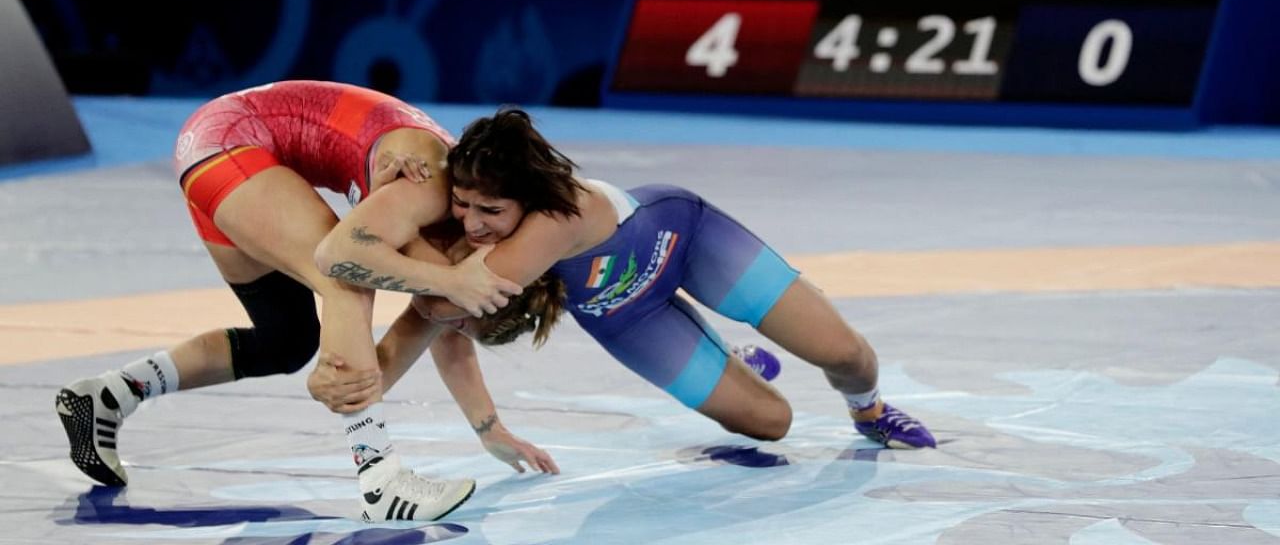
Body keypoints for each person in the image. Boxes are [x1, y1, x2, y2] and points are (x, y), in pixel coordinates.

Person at [54, 81, 538, 523]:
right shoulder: (431, 188)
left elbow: (443, 329)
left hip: (224, 151)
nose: (437, 318)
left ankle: (108, 395)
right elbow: (341, 257)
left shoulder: (466, 221)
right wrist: (449, 283)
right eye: (455, 313)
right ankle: (381, 482)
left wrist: (488, 428)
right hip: (233, 142)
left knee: (284, 341)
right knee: (348, 279)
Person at [314, 108, 935, 451]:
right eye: (464, 205)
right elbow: (438, 312)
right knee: (770, 424)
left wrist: (360, 371)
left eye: (489, 212)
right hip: (624, 313)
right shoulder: (487, 219)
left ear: (527, 200)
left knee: (846, 355)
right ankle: (737, 357)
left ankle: (869, 410)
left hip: (685, 243)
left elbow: (435, 309)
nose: (472, 224)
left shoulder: (557, 219)